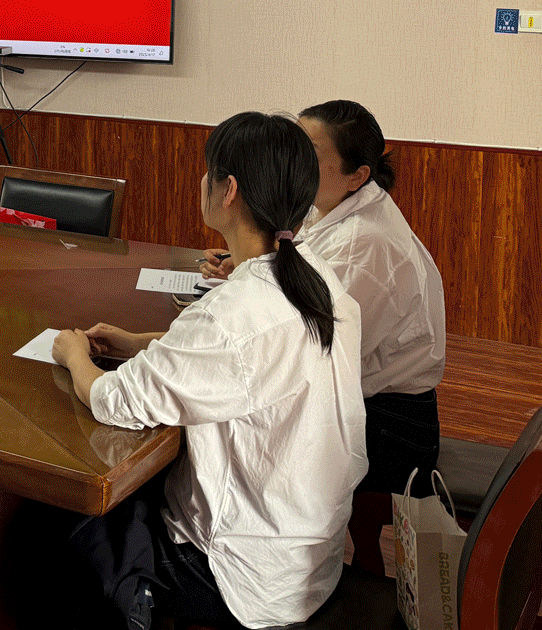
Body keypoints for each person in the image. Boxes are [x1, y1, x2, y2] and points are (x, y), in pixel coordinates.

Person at [34, 111, 366, 630]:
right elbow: (243, 358)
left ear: (228, 190)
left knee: (51, 523)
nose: (202, 180)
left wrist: (75, 354)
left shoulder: (231, 314)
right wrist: (139, 342)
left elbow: (114, 401)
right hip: (308, 554)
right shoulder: (318, 280)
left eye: (209, 170)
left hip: (243, 573)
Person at [200, 100, 447, 498]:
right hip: (368, 402)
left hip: (389, 427)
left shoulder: (362, 243)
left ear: (357, 175)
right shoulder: (335, 203)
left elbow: (298, 346)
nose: (291, 160)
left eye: (307, 153)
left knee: (224, 430)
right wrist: (246, 261)